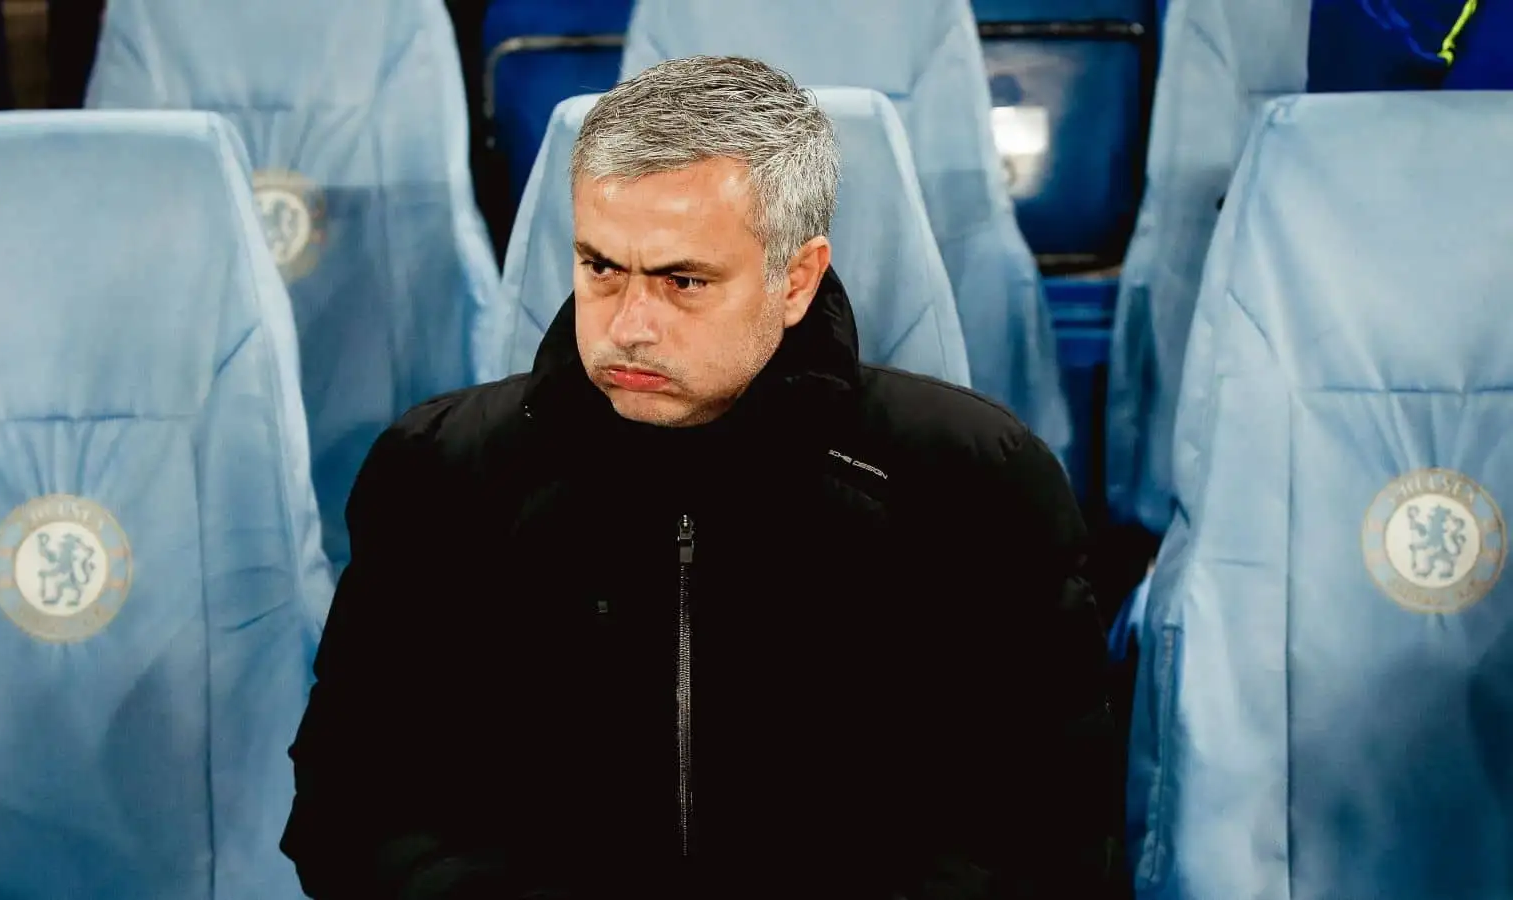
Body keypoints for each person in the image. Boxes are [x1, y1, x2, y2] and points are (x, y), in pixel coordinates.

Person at [281, 55, 1120, 900]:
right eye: (602, 268)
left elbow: (1046, 832)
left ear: (795, 278)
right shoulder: (438, 473)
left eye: (685, 281)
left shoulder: (975, 483)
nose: (630, 327)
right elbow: (354, 806)